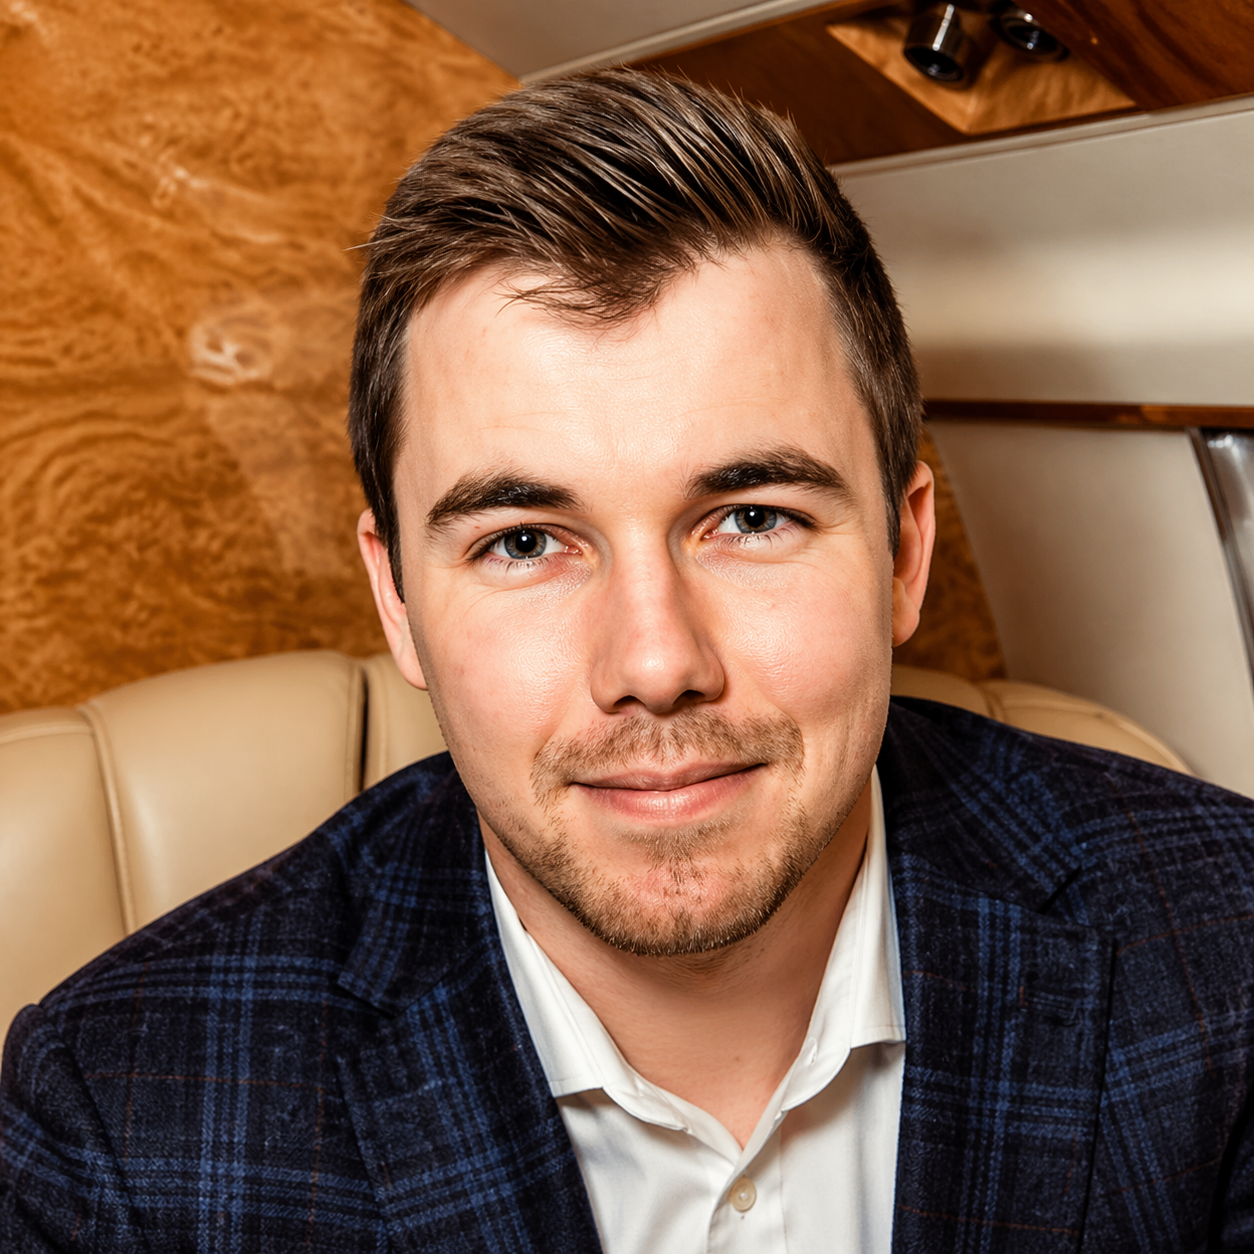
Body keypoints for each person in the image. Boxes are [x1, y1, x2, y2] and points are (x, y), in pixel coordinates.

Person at [3, 69, 1254, 1253]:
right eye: (527, 541)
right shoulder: (124, 1126)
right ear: (396, 598)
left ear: (902, 555)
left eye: (754, 518)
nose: (656, 662)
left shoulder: (1228, 958)